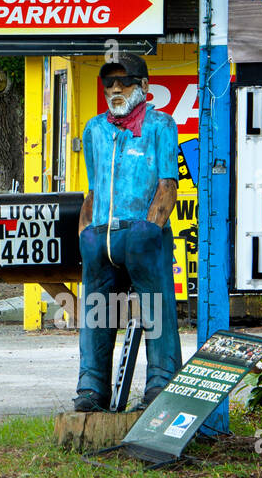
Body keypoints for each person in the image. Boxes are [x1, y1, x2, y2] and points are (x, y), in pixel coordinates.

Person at [73, 53, 181, 412]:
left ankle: (162, 382)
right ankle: (92, 387)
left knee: (156, 307)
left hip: (142, 234)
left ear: (145, 87)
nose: (116, 89)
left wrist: (151, 227)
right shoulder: (94, 130)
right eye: (110, 83)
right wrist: (85, 232)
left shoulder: (161, 125)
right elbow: (94, 185)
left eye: (125, 81)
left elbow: (168, 183)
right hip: (101, 236)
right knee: (97, 311)